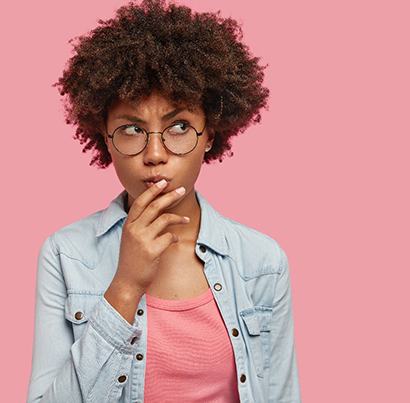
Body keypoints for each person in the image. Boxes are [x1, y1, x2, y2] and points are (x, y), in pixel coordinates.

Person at [26, 0, 301, 402]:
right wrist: (124, 286)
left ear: (210, 134)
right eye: (133, 129)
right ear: (105, 136)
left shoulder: (262, 263)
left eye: (179, 126)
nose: (155, 154)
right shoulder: (66, 254)